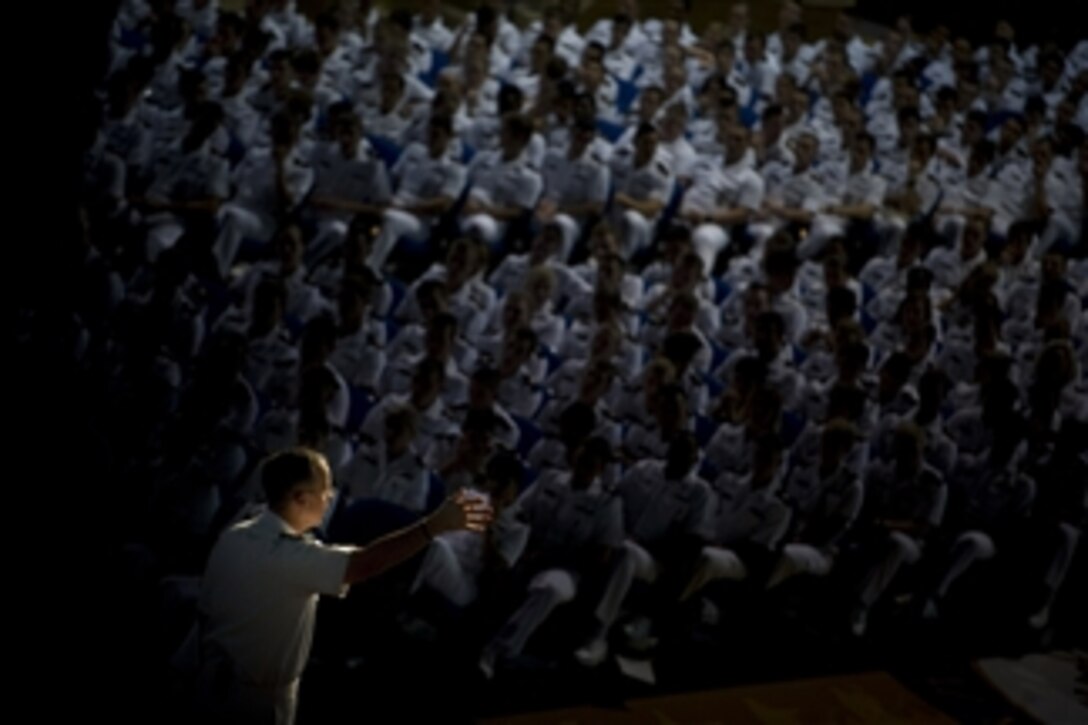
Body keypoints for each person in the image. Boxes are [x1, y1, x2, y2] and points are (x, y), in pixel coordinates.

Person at [195, 447, 492, 724]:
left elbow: (203, 620)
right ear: (299, 498)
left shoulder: (237, 536)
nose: (328, 498)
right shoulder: (291, 554)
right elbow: (365, 564)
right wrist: (432, 527)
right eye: (322, 492)